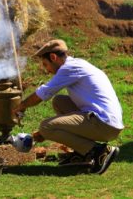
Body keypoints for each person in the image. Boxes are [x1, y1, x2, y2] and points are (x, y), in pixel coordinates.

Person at [12, 39, 124, 174]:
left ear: (53, 57)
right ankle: (82, 153)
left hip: (104, 124)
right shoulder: (77, 64)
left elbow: (44, 92)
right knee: (59, 101)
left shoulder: (69, 68)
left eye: (45, 64)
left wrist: (22, 106)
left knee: (46, 127)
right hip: (105, 120)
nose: (46, 70)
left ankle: (99, 151)